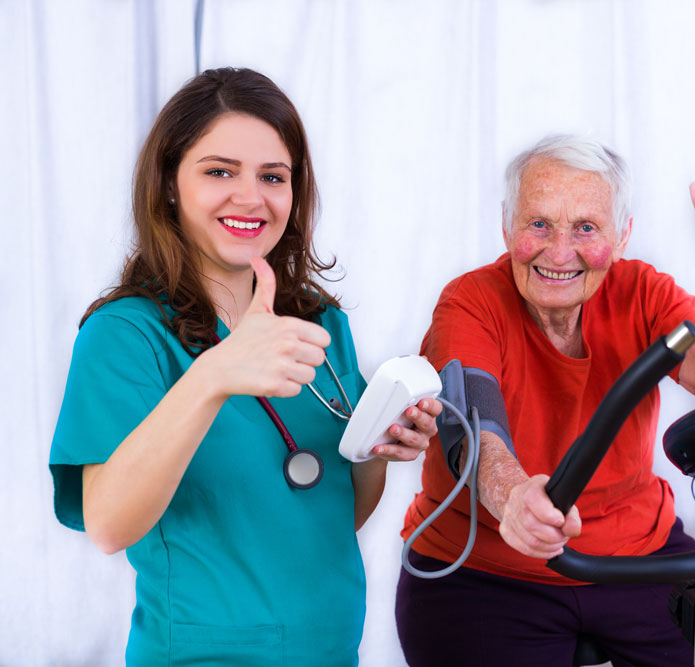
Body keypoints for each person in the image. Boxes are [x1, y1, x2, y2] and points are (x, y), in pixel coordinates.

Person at [49, 67, 441, 666]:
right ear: (170, 183)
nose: (250, 196)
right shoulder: (125, 334)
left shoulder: (320, 321)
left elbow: (335, 511)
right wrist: (213, 376)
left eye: (273, 177)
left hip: (331, 650)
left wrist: (378, 446)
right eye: (219, 171)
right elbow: (107, 525)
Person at [395, 134, 695, 666]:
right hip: (486, 569)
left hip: (637, 557)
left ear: (622, 235)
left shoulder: (642, 292)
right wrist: (514, 499)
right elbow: (473, 419)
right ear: (507, 226)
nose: (560, 253)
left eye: (585, 228)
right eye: (539, 224)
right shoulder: (471, 301)